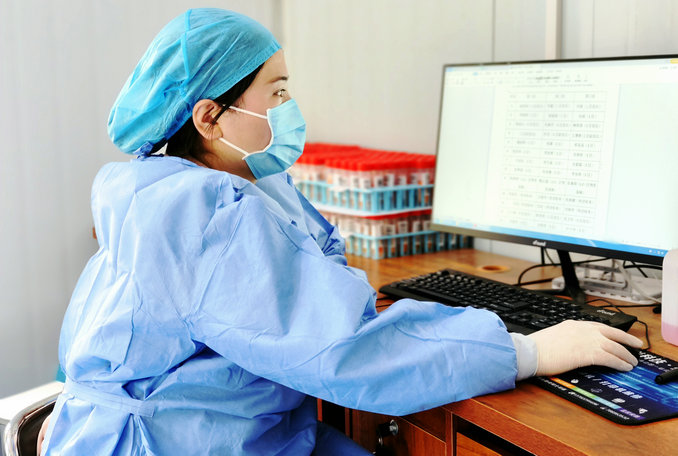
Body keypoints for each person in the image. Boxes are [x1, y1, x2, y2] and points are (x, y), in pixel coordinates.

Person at [38, 8, 642, 455]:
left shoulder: (172, 185)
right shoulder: (203, 213)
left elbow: (309, 272)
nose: (289, 107)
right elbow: (344, 350)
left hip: (212, 422)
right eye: (277, 93)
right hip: (175, 440)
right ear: (210, 117)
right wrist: (529, 351)